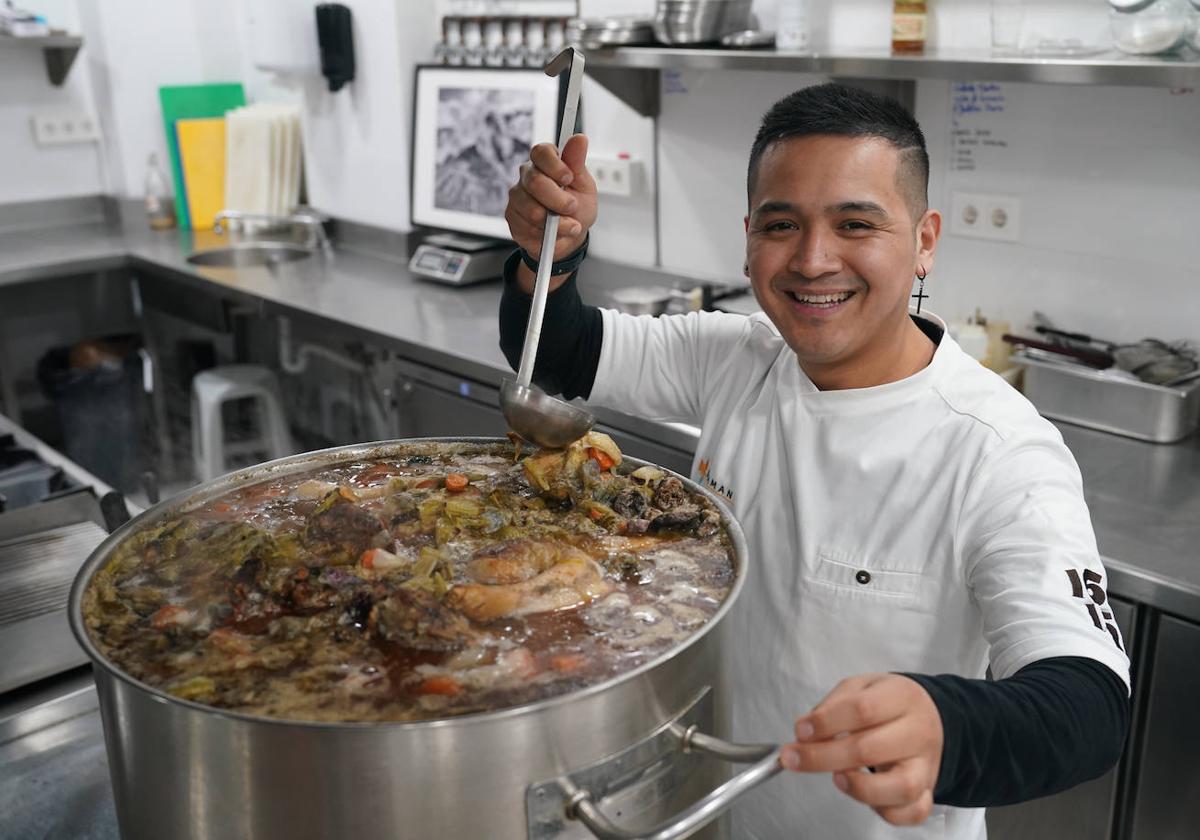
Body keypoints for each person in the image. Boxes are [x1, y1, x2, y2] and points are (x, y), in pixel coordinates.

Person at [499, 83, 1130, 839]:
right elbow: (563, 355)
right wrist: (553, 256)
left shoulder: (996, 451)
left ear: (925, 239)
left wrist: (947, 725)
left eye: (855, 222)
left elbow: (1088, 703)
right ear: (748, 237)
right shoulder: (738, 358)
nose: (812, 260)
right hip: (721, 808)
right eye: (781, 224)